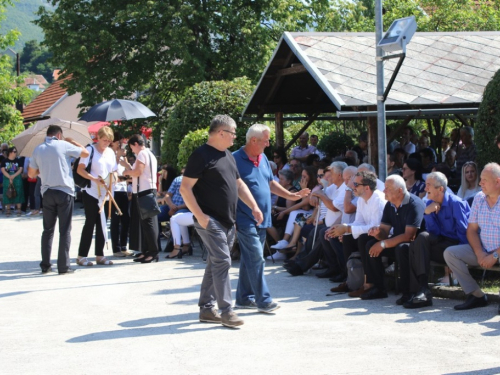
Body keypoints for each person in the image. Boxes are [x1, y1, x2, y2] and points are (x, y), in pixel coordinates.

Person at [180, 114, 263, 328]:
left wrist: (253, 206)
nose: (235, 138)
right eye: (233, 133)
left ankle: (206, 309)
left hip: (228, 220)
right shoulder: (200, 155)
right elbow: (185, 188)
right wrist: (200, 216)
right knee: (224, 261)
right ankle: (227, 311)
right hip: (210, 220)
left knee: (215, 262)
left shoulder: (227, 155)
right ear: (221, 133)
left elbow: (239, 184)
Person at [233, 124, 309, 313]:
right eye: (266, 140)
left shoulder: (263, 158)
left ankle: (244, 298)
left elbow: (270, 182)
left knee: (250, 258)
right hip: (243, 217)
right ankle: (264, 299)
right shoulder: (234, 159)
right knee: (257, 258)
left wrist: (293, 196)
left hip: (262, 218)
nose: (268, 144)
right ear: (253, 140)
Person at [28, 125, 89, 274]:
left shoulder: (38, 149)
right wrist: (73, 141)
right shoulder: (64, 145)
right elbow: (86, 153)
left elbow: (31, 174)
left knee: (47, 230)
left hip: (47, 192)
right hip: (64, 191)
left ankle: (46, 265)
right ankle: (63, 266)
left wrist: (43, 168)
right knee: (64, 230)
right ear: (59, 135)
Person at [404, 172, 470, 308]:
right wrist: (427, 213)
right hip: (442, 243)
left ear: (440, 189)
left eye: (428, 185)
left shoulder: (456, 203)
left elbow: (464, 233)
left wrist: (459, 258)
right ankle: (420, 290)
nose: (425, 188)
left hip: (456, 245)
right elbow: (434, 232)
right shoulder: (429, 203)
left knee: (421, 240)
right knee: (418, 241)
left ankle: (420, 291)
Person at [444, 163, 500, 313]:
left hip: (498, 252)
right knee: (451, 253)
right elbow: (472, 230)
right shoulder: (479, 198)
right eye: (480, 179)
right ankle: (476, 295)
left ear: (497, 181)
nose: (480, 183)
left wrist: (495, 255)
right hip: (483, 249)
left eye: (484, 180)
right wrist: (480, 253)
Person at [360, 175, 425, 300]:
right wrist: (378, 233)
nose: (384, 191)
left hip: (416, 244)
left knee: (401, 248)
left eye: (388, 188)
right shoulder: (390, 205)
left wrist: (383, 244)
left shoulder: (414, 204)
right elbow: (384, 231)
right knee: (370, 244)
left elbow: (409, 236)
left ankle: (407, 292)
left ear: (400, 190)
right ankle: (378, 288)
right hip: (397, 240)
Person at [327, 171, 387, 293]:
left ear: (367, 187)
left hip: (382, 236)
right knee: (348, 238)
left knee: (363, 239)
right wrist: (344, 229)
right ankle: (351, 280)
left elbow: (376, 227)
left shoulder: (378, 199)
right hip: (369, 233)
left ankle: (368, 283)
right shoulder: (361, 199)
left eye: (356, 184)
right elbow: (359, 222)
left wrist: (348, 229)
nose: (352, 186)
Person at [76, 127, 117, 267]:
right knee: (90, 222)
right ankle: (81, 255)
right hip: (91, 191)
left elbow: (114, 170)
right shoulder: (89, 150)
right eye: (104, 140)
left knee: (103, 223)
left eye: (109, 141)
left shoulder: (110, 152)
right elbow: (80, 169)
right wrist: (94, 179)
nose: (107, 143)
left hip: (105, 192)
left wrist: (114, 179)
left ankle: (100, 255)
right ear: (98, 138)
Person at [122, 134, 160, 263]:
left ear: (136, 144)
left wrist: (126, 172)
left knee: (148, 223)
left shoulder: (142, 154)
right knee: (145, 223)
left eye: (131, 147)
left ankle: (153, 252)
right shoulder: (150, 154)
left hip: (144, 191)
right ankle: (147, 251)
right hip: (147, 189)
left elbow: (138, 172)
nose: (132, 150)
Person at [107, 132, 132, 257]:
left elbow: (128, 173)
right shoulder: (109, 153)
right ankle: (116, 248)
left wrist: (126, 163)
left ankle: (123, 246)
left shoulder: (122, 156)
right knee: (115, 220)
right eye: (119, 143)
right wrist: (117, 156)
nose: (120, 145)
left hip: (123, 190)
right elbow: (111, 171)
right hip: (114, 190)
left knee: (126, 219)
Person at [1, 147, 25, 216]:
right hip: (7, 178)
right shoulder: (4, 161)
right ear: (10, 152)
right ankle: (8, 210)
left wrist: (13, 176)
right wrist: (9, 177)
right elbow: (3, 170)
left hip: (17, 178)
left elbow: (20, 169)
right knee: (8, 193)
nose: (15, 153)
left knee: (18, 192)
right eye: (14, 151)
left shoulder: (18, 160)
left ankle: (18, 209)